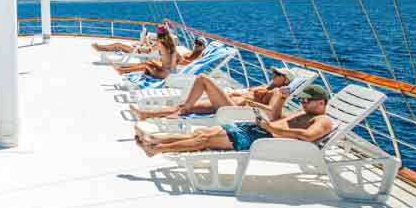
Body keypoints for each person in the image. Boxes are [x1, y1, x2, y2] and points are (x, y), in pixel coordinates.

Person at [135, 83, 335, 156]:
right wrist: (281, 100)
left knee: (202, 141)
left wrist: (272, 128)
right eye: (301, 99)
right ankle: (155, 139)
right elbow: (276, 117)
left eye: (307, 101)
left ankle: (155, 149)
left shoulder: (323, 120)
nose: (303, 103)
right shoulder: (304, 114)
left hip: (260, 138)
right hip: (254, 129)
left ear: (321, 102)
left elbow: (309, 136)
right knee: (200, 133)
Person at [129, 67, 294, 121]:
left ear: (285, 80)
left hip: (233, 108)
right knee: (189, 108)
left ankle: (182, 108)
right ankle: (145, 114)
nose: (273, 75)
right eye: (273, 73)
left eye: (277, 74)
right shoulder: (271, 85)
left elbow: (271, 111)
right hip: (230, 101)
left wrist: (251, 103)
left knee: (203, 79)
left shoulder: (279, 92)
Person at [113, 25, 178, 79]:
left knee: (145, 64)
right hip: (172, 72)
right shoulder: (172, 43)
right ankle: (123, 69)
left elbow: (148, 50)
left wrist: (139, 47)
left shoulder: (160, 42)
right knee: (150, 62)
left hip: (164, 75)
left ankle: (122, 70)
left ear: (158, 34)